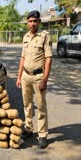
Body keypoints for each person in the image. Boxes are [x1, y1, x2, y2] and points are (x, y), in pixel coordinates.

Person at [16, 10, 53, 149]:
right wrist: (19, 76)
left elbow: (48, 59)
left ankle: (42, 135)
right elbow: (22, 58)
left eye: (35, 21)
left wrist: (45, 79)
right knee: (27, 104)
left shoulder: (45, 36)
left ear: (39, 22)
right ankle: (29, 129)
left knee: (41, 106)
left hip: (38, 76)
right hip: (26, 76)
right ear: (27, 23)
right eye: (30, 21)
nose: (32, 24)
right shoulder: (25, 37)